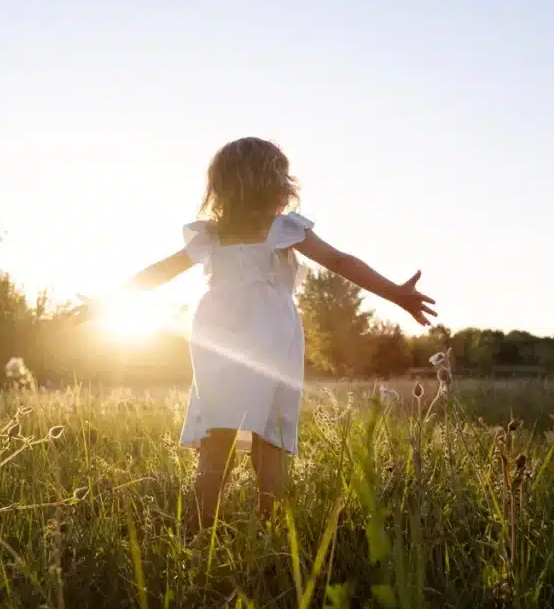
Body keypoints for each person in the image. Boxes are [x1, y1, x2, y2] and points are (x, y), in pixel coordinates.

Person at [125, 137, 436, 531]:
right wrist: (394, 292)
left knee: (216, 430)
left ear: (219, 185)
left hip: (215, 335)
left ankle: (198, 533)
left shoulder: (211, 235)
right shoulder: (283, 228)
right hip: (270, 330)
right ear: (277, 183)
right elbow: (340, 261)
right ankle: (270, 532)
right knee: (270, 433)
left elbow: (158, 272)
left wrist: (109, 301)